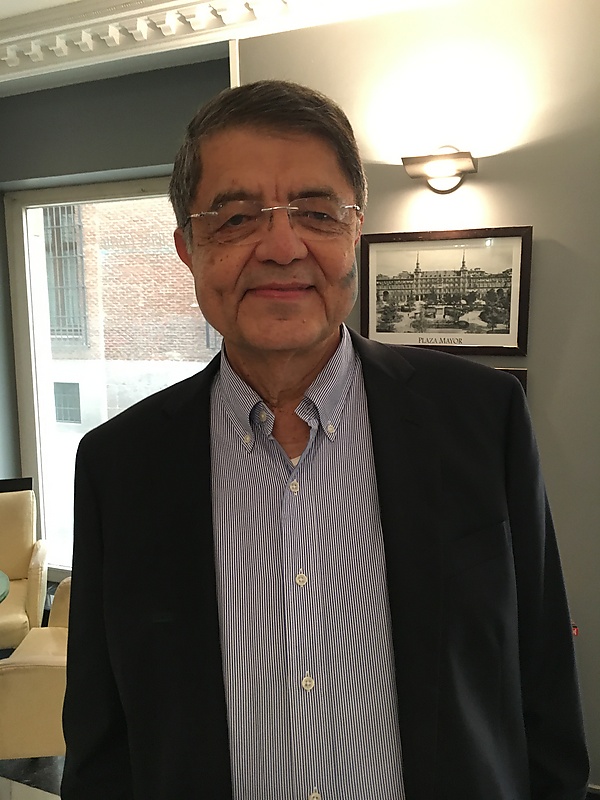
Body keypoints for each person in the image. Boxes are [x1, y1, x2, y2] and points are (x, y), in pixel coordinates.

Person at [61, 80, 589, 800]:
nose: (282, 248)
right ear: (188, 249)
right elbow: (102, 741)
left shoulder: (482, 417)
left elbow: (544, 682)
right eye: (236, 218)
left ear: (355, 232)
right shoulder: (118, 466)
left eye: (316, 213)